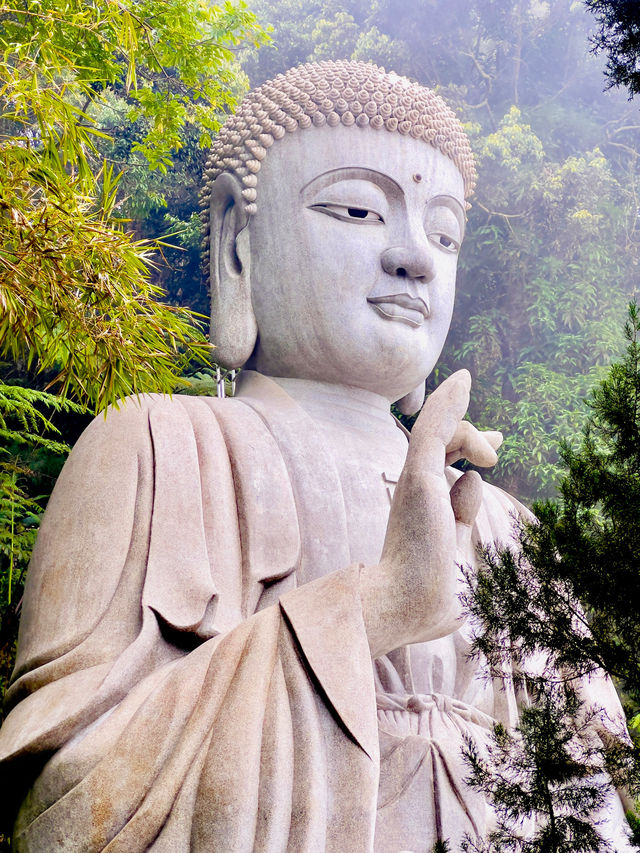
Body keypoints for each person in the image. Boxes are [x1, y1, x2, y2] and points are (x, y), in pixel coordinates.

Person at [0, 60, 632, 853]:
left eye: (444, 232)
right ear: (238, 241)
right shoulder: (156, 446)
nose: (416, 258)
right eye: (360, 209)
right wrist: (374, 607)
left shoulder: (510, 530)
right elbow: (61, 806)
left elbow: (591, 811)